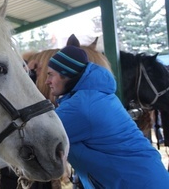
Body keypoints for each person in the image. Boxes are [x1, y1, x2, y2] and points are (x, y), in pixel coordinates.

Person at [46, 45, 169, 188]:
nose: (46, 81)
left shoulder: (81, 106)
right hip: (146, 178)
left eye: (50, 74)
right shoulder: (97, 95)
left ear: (66, 74)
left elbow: (38, 135)